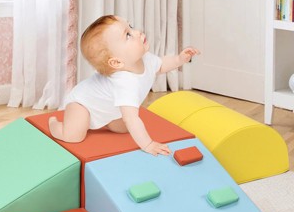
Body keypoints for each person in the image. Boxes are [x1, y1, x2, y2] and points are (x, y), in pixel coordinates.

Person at [49, 15, 200, 156]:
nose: (137, 32)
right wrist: (148, 144)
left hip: (108, 108)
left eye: (131, 27)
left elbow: (160, 65)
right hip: (82, 105)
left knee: (123, 129)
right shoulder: (125, 83)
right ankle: (55, 125)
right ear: (116, 62)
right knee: (74, 136)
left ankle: (107, 120)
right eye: (128, 35)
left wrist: (179, 59)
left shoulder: (145, 59)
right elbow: (132, 119)